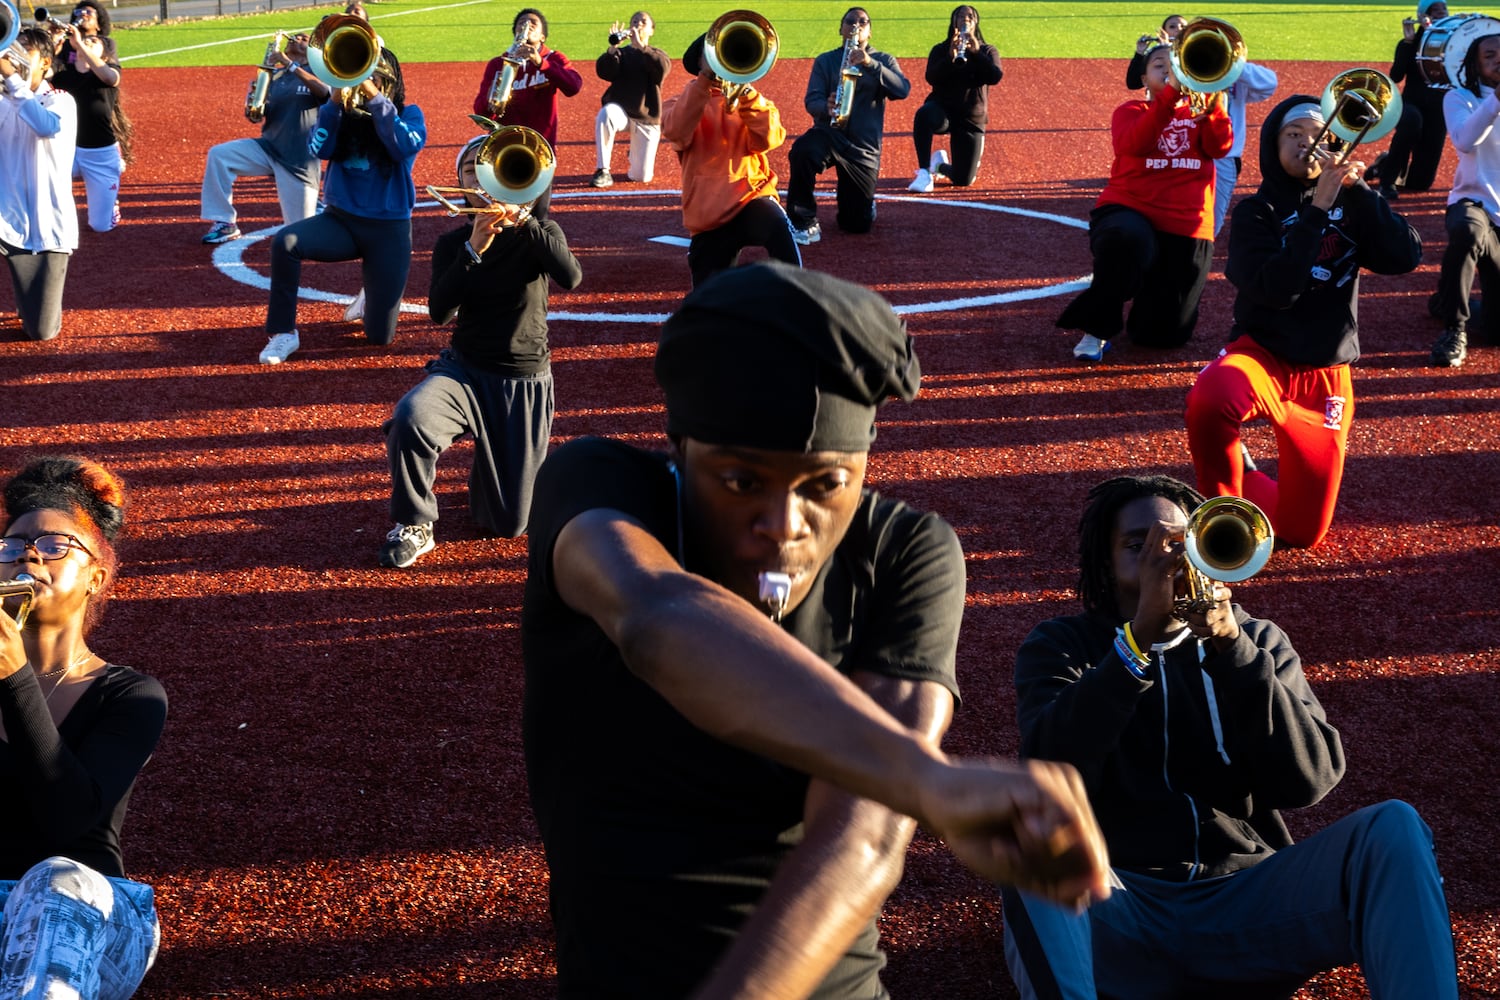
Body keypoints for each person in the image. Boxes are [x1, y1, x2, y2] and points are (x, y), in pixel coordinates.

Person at [521, 261, 1110, 998]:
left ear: (864, 466)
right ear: (680, 449)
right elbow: (654, 613)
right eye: (740, 482)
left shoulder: (906, 552)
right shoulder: (598, 488)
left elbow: (860, 832)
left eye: (826, 485)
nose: (783, 527)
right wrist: (926, 779)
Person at [1001, 474, 1459, 1000]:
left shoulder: (1257, 639)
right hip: (1122, 908)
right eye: (1137, 545)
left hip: (1243, 907)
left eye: (1177, 542)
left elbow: (1309, 779)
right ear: (1105, 564)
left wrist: (1232, 649)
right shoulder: (1060, 645)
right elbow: (1048, 772)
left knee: (1393, 827)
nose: (1163, 559)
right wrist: (1136, 644)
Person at [1184, 96, 1422, 549]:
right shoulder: (1256, 212)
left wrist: (1362, 193)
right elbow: (1277, 289)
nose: (1306, 143)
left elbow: (1405, 257)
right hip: (1263, 356)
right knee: (1210, 400)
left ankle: (1249, 474)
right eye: (1293, 135)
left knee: (1301, 533)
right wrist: (1316, 211)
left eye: (1317, 135)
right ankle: (1221, 520)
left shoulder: (1353, 203)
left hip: (1326, 375)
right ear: (1272, 147)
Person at [0, 455, 169, 999]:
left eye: (53, 544)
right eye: (11, 544)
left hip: (90, 914)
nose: (26, 552)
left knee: (54, 880)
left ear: (97, 574)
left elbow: (65, 819)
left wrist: (14, 677)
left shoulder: (131, 695)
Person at [380, 135, 582, 568]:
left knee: (509, 523)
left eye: (487, 166)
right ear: (462, 182)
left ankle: (488, 475)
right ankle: (414, 522)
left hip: (522, 382)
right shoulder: (454, 244)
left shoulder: (541, 232)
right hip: (465, 372)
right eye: (471, 169)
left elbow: (571, 276)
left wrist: (525, 221)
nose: (482, 177)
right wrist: (473, 250)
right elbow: (439, 312)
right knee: (411, 417)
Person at [1057, 42, 1231, 362]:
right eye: (1160, 66)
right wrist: (1170, 97)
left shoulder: (1204, 110)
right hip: (1129, 208)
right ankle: (1097, 327)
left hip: (1186, 222)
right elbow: (1134, 144)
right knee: (1125, 241)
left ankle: (1146, 300)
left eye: (1177, 65)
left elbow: (1220, 147)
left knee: (1161, 337)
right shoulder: (1129, 111)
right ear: (1143, 76)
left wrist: (1214, 108)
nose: (1170, 71)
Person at [258, 40, 425, 366]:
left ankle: (371, 297)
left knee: (379, 337)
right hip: (342, 221)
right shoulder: (338, 114)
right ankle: (283, 333)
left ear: (388, 82)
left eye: (371, 77)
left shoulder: (408, 114)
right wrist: (334, 102)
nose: (361, 84)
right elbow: (319, 147)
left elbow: (403, 146)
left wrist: (374, 98)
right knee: (286, 242)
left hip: (389, 231)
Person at [660, 33, 800, 289]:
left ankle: (795, 302)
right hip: (707, 213)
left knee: (779, 228)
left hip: (751, 197)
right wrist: (704, 82)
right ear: (699, 61)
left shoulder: (752, 100)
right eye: (710, 53)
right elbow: (677, 132)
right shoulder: (677, 103)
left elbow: (770, 138)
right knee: (707, 302)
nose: (718, 61)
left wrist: (745, 93)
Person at [785, 8, 910, 245]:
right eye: (850, 21)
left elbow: (902, 90)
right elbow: (812, 100)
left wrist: (870, 63)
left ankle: (864, 203)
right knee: (803, 150)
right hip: (829, 134)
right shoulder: (826, 60)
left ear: (870, 32)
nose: (856, 25)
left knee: (855, 225)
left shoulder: (883, 60)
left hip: (863, 148)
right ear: (841, 29)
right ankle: (803, 221)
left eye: (863, 22)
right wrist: (826, 107)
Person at [198, 31, 329, 245]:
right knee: (219, 155)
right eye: (295, 36)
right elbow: (256, 116)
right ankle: (225, 223)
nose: (297, 38)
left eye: (304, 38)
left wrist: (289, 65)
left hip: (298, 161)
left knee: (301, 238)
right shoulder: (273, 77)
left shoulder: (318, 73)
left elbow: (324, 93)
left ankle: (318, 207)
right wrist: (254, 104)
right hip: (267, 149)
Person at [1429, 25, 1500, 368]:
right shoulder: (1460, 97)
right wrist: (1496, 101)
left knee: (1495, 331)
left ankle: (1449, 297)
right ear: (1475, 65)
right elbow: (1464, 142)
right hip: (1475, 206)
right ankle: (1454, 330)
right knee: (1468, 230)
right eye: (1491, 56)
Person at [1, 27, 77, 342]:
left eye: (24, 51)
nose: (14, 57)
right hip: (5, 219)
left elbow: (44, 127)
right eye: (11, 49)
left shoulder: (60, 101)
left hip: (47, 231)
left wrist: (12, 79)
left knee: (41, 331)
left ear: (45, 63)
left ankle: (30, 306)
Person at [471, 8, 581, 222]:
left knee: (538, 218)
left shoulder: (553, 58)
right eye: (522, 23)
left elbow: (574, 85)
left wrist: (541, 63)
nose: (526, 26)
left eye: (533, 24)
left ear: (542, 36)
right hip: (504, 148)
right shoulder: (498, 64)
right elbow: (480, 109)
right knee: (502, 215)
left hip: (540, 149)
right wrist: (492, 104)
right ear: (515, 33)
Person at [49, 0, 129, 233]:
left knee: (100, 226)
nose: (82, 14)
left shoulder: (107, 61)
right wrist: (52, 44)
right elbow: (41, 74)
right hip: (68, 148)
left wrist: (80, 44)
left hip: (100, 153)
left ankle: (110, 202)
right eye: (79, 10)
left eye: (89, 11)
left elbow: (109, 78)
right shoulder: (65, 69)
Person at [908, 5, 1002, 193]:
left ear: (976, 23)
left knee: (963, 179)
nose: (965, 19)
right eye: (960, 16)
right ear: (953, 22)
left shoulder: (987, 51)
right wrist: (949, 58)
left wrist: (976, 54)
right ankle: (925, 172)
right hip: (944, 111)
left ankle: (939, 166)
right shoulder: (940, 49)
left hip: (971, 118)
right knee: (924, 115)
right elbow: (931, 77)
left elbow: (995, 77)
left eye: (970, 17)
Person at [1368, 0, 1451, 201]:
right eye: (1434, 11)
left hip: (1439, 109)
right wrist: (1407, 43)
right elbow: (1396, 76)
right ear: (1422, 16)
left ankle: (1384, 163)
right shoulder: (1410, 41)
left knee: (1420, 183)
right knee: (1412, 122)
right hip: (1411, 104)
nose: (1440, 14)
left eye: (1443, 10)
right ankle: (1386, 182)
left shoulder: (1454, 43)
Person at [590, 10, 669, 188]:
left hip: (646, 118)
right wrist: (612, 49)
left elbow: (661, 70)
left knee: (641, 177)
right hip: (622, 114)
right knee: (606, 113)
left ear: (651, 31)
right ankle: (603, 170)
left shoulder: (657, 55)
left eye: (643, 22)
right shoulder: (621, 54)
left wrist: (642, 47)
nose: (637, 25)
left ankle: (634, 153)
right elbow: (604, 72)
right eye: (634, 22)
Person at [1210, 59, 1278, 237]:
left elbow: (1269, 84)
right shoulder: (1186, 67)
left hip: (1225, 157)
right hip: (1186, 153)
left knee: (1211, 223)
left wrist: (1233, 65)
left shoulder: (1236, 76)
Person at [1124, 13, 1185, 92]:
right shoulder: (1154, 54)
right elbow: (1133, 83)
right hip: (1158, 102)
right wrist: (1140, 53)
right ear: (1164, 32)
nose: (1179, 29)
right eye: (1172, 27)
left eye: (1183, 27)